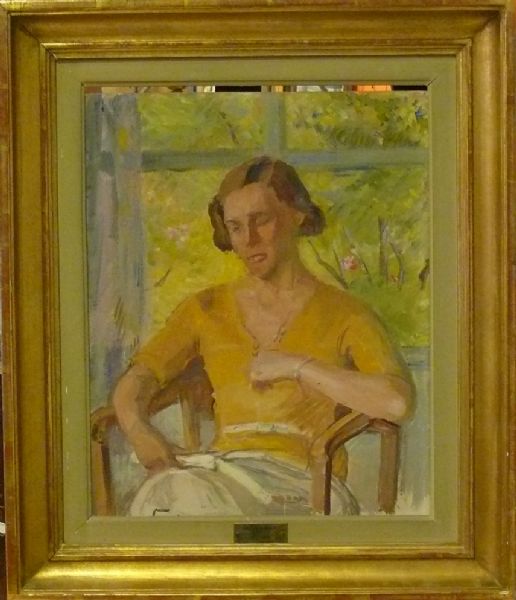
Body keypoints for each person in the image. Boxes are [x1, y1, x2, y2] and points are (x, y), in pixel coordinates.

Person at [112, 156, 413, 517]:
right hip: (222, 473)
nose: (248, 239)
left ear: (297, 215)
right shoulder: (205, 308)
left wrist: (297, 366)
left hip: (307, 485)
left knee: (182, 499)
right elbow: (137, 380)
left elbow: (397, 401)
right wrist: (138, 430)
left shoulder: (345, 313)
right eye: (236, 227)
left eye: (261, 220)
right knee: (170, 494)